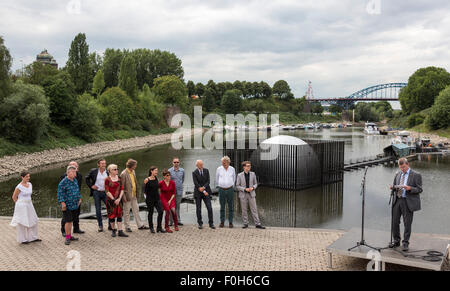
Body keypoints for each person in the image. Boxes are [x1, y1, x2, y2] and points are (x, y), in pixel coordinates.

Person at [389, 158, 423, 251]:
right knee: (395, 222)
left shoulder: (416, 175)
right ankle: (396, 241)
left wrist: (409, 188)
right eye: (400, 167)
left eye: (403, 167)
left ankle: (405, 243)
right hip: (397, 200)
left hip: (408, 201)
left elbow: (419, 189)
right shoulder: (398, 174)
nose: (402, 169)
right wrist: (393, 188)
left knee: (407, 223)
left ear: (407, 165)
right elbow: (396, 186)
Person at [10, 171, 41, 244]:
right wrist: (19, 205)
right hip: (22, 206)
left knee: (33, 220)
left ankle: (33, 237)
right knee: (23, 222)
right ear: (22, 177)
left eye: (29, 176)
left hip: (29, 205)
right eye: (27, 176)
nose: (28, 178)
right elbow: (14, 197)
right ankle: (23, 239)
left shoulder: (30, 184)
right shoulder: (19, 187)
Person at [235, 161, 265, 229]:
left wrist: (253, 187)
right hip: (243, 195)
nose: (249, 167)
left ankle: (258, 224)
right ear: (244, 167)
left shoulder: (253, 174)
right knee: (244, 210)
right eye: (248, 166)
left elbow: (256, 184)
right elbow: (237, 186)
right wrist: (245, 189)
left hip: (252, 194)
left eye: (250, 166)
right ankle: (245, 223)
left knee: (254, 209)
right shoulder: (239, 175)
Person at [120, 159, 147, 232]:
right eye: (135, 165)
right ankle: (127, 227)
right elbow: (121, 187)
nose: (136, 166)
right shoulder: (123, 174)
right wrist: (123, 197)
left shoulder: (133, 171)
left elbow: (134, 182)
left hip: (134, 195)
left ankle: (140, 225)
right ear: (131, 165)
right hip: (127, 196)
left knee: (136, 210)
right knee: (127, 212)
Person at [58, 166, 82, 245]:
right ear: (68, 173)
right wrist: (62, 203)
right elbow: (60, 194)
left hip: (75, 204)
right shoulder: (63, 182)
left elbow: (77, 190)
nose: (75, 174)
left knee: (72, 221)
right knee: (68, 221)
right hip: (67, 205)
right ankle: (67, 238)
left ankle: (70, 235)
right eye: (73, 172)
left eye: (75, 172)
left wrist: (80, 198)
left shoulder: (75, 180)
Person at [85, 158, 109, 232]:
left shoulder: (108, 172)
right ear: (98, 164)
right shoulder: (94, 171)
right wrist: (91, 186)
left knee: (110, 208)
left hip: (105, 193)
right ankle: (100, 226)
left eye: (104, 163)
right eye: (102, 163)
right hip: (97, 192)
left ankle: (110, 225)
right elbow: (86, 178)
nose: (104, 165)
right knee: (98, 209)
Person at [105, 164, 128, 238]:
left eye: (117, 169)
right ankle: (113, 230)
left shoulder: (119, 178)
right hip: (111, 200)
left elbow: (122, 189)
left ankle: (120, 231)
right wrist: (113, 199)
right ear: (110, 171)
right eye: (114, 169)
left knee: (119, 215)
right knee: (112, 216)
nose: (116, 170)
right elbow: (107, 191)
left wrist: (119, 198)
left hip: (119, 200)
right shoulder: (107, 179)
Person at [192, 160, 215, 229]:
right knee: (198, 209)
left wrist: (204, 188)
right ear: (197, 165)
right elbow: (195, 182)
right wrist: (200, 188)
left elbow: (208, 181)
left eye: (202, 164)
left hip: (206, 192)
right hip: (198, 192)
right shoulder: (194, 172)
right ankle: (200, 223)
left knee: (209, 208)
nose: (201, 166)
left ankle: (211, 223)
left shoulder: (206, 171)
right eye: (200, 165)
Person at [216, 156, 236, 228]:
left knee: (231, 206)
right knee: (222, 206)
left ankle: (230, 222)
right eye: (222, 163)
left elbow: (234, 178)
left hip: (230, 189)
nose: (223, 164)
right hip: (221, 189)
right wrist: (221, 185)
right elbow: (217, 179)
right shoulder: (219, 169)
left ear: (228, 162)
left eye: (224, 163)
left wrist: (230, 185)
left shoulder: (232, 169)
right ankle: (222, 222)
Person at [143, 166, 165, 233]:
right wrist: (146, 198)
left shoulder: (156, 178)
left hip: (157, 198)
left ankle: (159, 227)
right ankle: (151, 227)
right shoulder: (147, 180)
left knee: (161, 211)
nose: (156, 172)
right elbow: (143, 190)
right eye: (155, 170)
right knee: (151, 213)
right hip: (150, 199)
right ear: (151, 171)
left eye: (157, 170)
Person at [168, 157, 185, 226]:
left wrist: (179, 185)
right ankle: (170, 222)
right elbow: (168, 181)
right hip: (171, 192)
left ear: (179, 163)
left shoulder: (182, 170)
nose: (176, 163)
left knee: (178, 206)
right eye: (175, 162)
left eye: (177, 162)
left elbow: (183, 180)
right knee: (171, 207)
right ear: (172, 163)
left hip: (179, 191)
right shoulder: (169, 171)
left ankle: (178, 220)